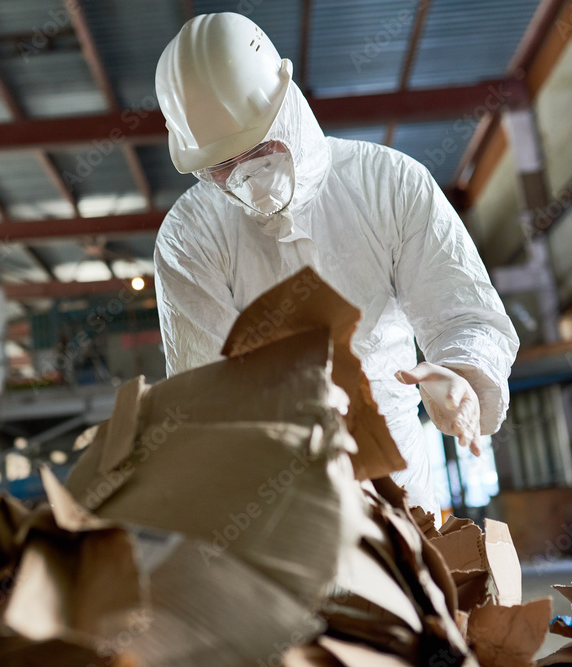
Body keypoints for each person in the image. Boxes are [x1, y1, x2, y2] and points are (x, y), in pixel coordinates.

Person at [153, 12, 520, 517]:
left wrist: (459, 372)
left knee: (408, 588)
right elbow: (204, 389)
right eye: (223, 165)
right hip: (273, 497)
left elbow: (465, 315)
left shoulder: (389, 184)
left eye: (261, 150)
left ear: (289, 109)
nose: (247, 177)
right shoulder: (189, 237)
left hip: (397, 477)